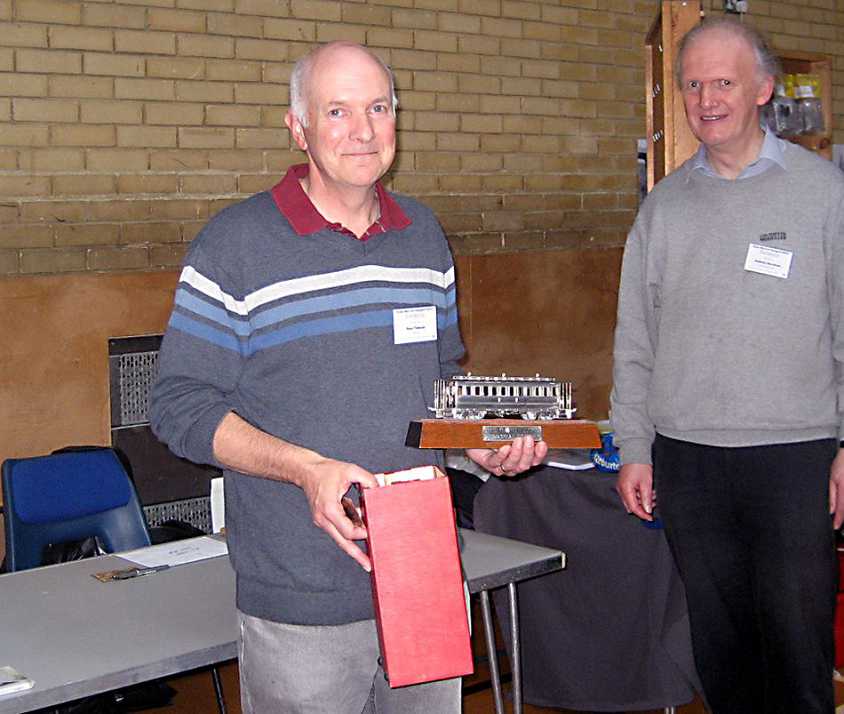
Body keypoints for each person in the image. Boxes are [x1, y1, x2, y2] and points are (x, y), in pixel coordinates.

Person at [150, 41, 547, 714]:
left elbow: (438, 379)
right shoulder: (235, 245)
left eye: (379, 107)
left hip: (421, 575)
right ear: (298, 126)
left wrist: (476, 438)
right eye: (337, 111)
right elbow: (177, 405)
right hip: (300, 593)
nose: (363, 130)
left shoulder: (423, 235)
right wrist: (306, 469)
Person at [611, 17, 844, 714]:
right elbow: (634, 339)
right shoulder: (663, 208)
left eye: (723, 82)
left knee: (800, 652)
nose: (705, 99)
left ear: (763, 90)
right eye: (692, 85)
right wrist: (634, 447)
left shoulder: (824, 193)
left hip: (794, 459)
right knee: (721, 651)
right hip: (691, 463)